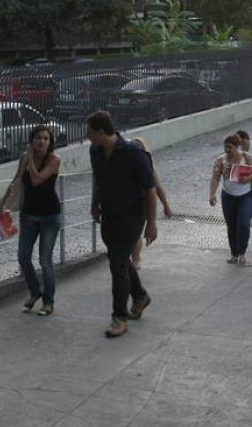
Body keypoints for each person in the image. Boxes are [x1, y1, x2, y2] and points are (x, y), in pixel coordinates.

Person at [88, 111, 157, 339]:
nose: (87, 136)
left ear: (100, 131)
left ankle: (119, 318)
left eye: (89, 132)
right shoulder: (95, 151)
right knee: (118, 258)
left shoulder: (133, 152)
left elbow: (150, 188)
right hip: (109, 214)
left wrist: (152, 223)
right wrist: (94, 203)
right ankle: (140, 295)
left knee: (117, 263)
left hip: (132, 215)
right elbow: (97, 179)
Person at [0, 125, 62, 316]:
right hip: (28, 215)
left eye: (45, 138)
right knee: (23, 258)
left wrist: (30, 161)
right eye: (37, 138)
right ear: (31, 140)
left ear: (50, 142)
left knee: (45, 259)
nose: (41, 142)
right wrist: (4, 205)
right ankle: (35, 292)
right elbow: (17, 181)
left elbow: (36, 180)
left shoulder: (54, 159)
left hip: (50, 216)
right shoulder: (23, 159)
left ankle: (48, 301)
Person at [208, 134, 252, 266]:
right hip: (228, 196)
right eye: (225, 147)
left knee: (243, 224)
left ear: (238, 147)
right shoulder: (221, 160)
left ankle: (242, 253)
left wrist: (248, 179)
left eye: (230, 147)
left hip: (246, 196)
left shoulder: (248, 157)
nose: (227, 150)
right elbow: (215, 178)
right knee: (231, 226)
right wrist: (212, 194)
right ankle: (234, 254)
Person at [129, 138, 171, 270]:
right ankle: (133, 259)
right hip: (128, 202)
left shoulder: (147, 166)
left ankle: (136, 259)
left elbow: (157, 187)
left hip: (141, 202)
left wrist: (166, 206)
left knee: (135, 233)